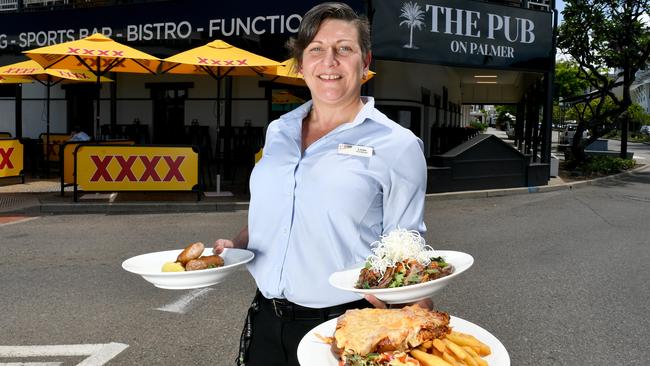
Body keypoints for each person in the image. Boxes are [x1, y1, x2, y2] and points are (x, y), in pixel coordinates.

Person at [213, 3, 428, 365]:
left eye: (344, 48)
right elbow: (279, 207)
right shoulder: (278, 131)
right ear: (301, 64)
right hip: (265, 318)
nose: (329, 61)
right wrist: (236, 244)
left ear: (365, 61)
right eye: (316, 50)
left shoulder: (398, 145)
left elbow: (406, 242)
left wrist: (417, 302)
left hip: (344, 325)